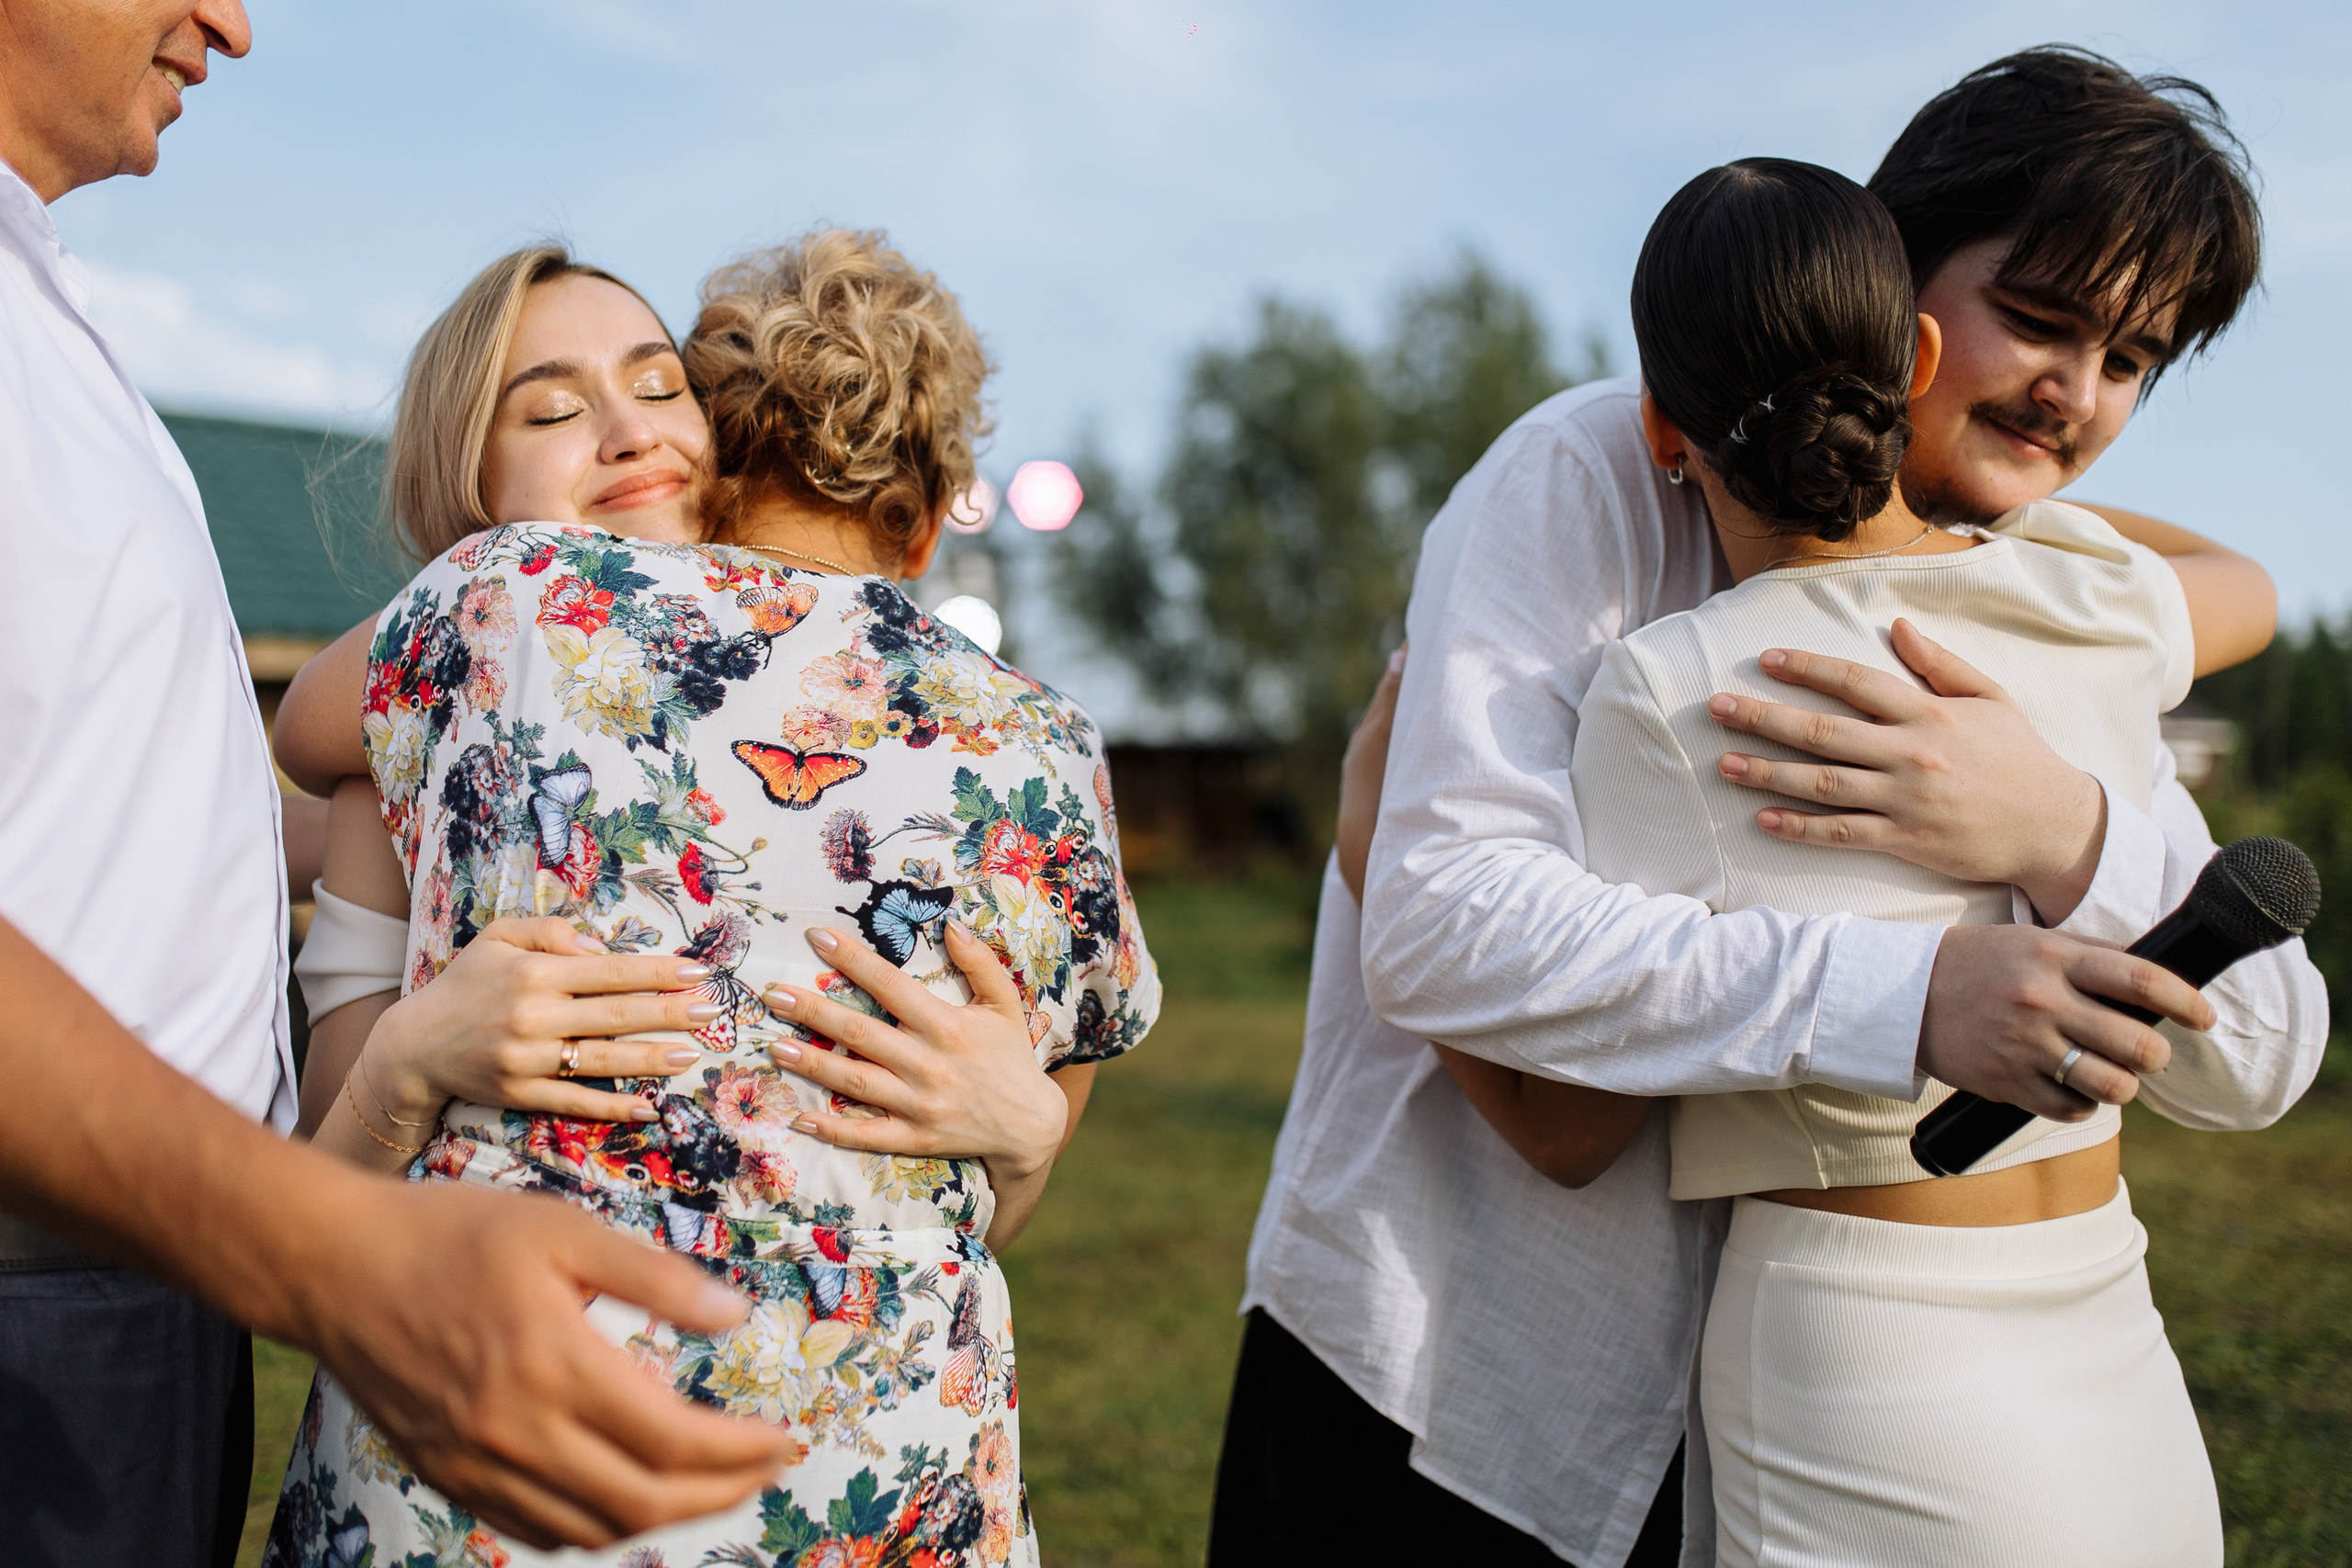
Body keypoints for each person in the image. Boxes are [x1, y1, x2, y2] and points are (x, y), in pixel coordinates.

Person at [1218, 48, 2321, 1568]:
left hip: (1822, 1398)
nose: (2073, 394)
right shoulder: (1604, 467)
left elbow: (2256, 1030)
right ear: (1893, 284)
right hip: (1461, 1361)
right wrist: (1912, 994)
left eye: (2131, 360)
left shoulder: (2037, 593)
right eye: (2043, 323)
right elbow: (1468, 950)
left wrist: (2054, 823)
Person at [0, 5, 798, 1562]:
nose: (232, 19)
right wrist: (361, 1149)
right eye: (551, 410)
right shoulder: (423, 700)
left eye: (659, 386)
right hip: (77, 1271)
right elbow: (315, 738)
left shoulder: (46, 302)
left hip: (156, 1287)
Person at [263, 229, 1159, 1567]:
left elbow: (307, 734)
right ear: (926, 519)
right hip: (886, 1482)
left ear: (724, 460)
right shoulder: (1051, 753)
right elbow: (983, 1198)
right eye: (560, 408)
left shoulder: (504, 593)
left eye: (654, 390)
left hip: (497, 1477)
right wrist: (1023, 1132)